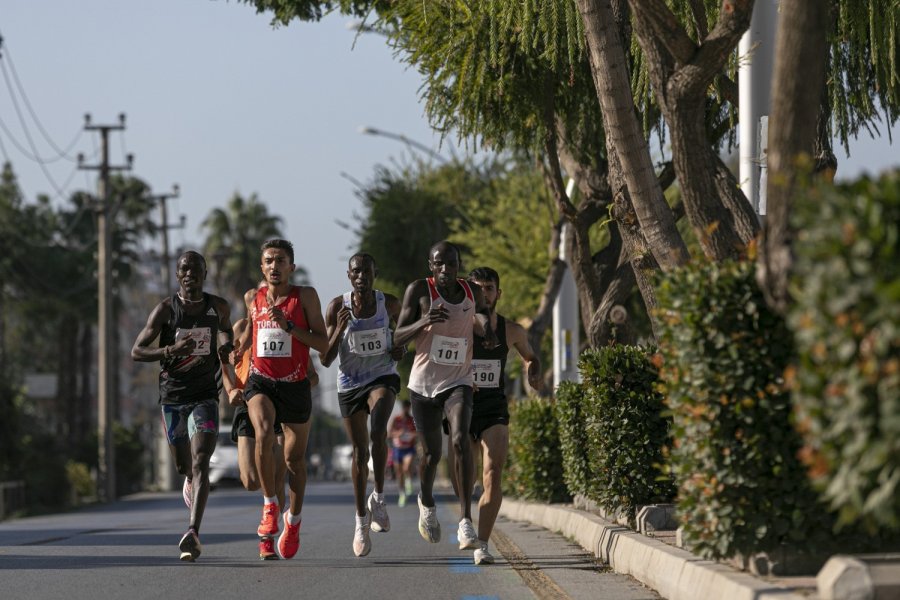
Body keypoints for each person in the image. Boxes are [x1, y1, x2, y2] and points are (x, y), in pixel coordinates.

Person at [131, 250, 236, 562]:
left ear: (205, 274)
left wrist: (226, 343)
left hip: (205, 393)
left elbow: (226, 329)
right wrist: (170, 350)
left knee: (202, 459)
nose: (190, 274)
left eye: (196, 269)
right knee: (184, 466)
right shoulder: (165, 310)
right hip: (173, 397)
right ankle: (190, 481)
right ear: (178, 275)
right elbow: (137, 351)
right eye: (184, 269)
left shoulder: (217, 306)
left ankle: (193, 531)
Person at [394, 241, 496, 548]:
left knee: (460, 438)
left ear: (458, 265)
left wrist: (487, 331)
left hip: (459, 380)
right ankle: (426, 502)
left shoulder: (471, 292)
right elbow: (395, 338)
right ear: (431, 266)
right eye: (439, 265)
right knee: (430, 454)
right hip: (423, 385)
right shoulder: (419, 291)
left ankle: (466, 521)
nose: (445, 270)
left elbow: (480, 317)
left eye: (451, 264)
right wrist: (424, 320)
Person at [449, 266, 543, 565]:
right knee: (466, 476)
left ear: (498, 293)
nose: (484, 293)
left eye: (489, 288)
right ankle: (466, 520)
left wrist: (533, 372)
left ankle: (484, 544)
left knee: (492, 474)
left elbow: (530, 357)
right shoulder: (456, 326)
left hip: (493, 408)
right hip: (461, 405)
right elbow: (436, 360)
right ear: (469, 292)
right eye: (478, 288)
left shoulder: (511, 330)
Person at [242, 239, 328, 561]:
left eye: (280, 261)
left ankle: (293, 521)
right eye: (268, 261)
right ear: (261, 267)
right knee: (263, 431)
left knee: (294, 462)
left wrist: (289, 327)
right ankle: (270, 505)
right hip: (261, 381)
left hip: (295, 386)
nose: (274, 266)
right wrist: (235, 353)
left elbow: (321, 342)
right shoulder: (253, 297)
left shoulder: (304, 297)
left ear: (291, 267)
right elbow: (249, 333)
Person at [321, 253, 404, 557]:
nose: (361, 277)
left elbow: (403, 333)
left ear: (374, 273)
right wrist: (340, 329)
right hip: (350, 383)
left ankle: (379, 498)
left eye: (366, 272)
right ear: (348, 275)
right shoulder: (336, 307)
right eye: (356, 272)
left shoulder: (389, 303)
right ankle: (360, 519)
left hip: (382, 375)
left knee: (379, 429)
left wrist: (401, 347)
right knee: (360, 453)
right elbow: (326, 359)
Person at [226, 317, 319, 559]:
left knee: (277, 477)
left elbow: (312, 374)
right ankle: (274, 516)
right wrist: (229, 389)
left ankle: (267, 539)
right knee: (250, 480)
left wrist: (298, 387)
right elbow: (223, 363)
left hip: (278, 404)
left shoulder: (283, 329)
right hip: (247, 401)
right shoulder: (239, 329)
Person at [389, 399, 417, 507]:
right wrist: (398, 433)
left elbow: (417, 432)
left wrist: (412, 435)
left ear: (409, 408)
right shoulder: (396, 419)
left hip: (409, 448)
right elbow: (390, 433)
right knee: (399, 473)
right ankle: (402, 493)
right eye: (405, 407)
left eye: (408, 407)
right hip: (398, 449)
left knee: (406, 467)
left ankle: (409, 481)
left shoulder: (412, 420)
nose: (406, 409)